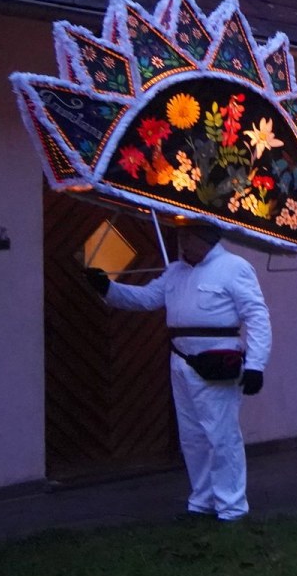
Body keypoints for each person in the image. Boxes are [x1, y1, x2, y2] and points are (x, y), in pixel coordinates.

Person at [85, 221, 270, 521]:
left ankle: (231, 507)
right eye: (181, 236)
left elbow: (257, 316)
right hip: (181, 360)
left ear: (206, 238)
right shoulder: (175, 271)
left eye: (188, 236)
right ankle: (202, 501)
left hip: (217, 360)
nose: (182, 242)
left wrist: (255, 365)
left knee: (221, 436)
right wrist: (108, 288)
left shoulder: (234, 267)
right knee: (192, 436)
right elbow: (147, 299)